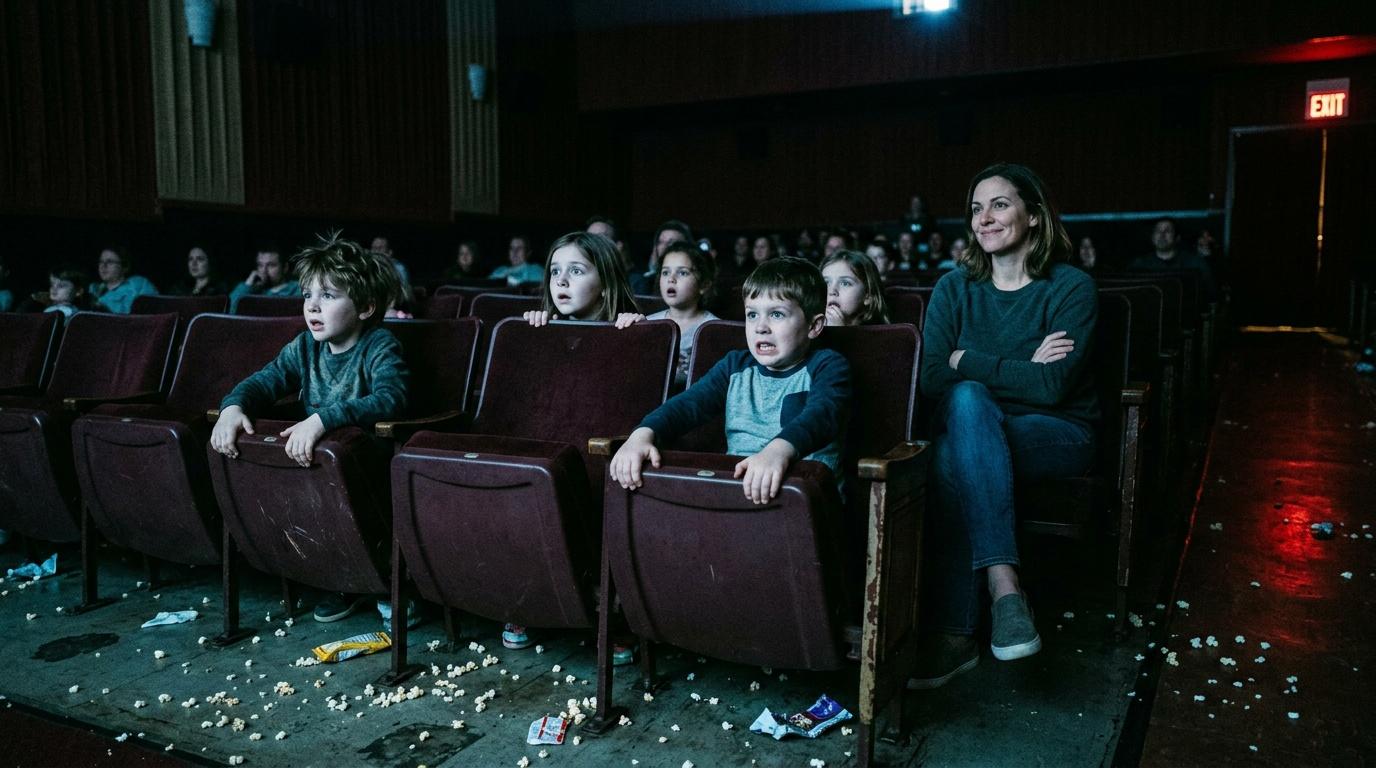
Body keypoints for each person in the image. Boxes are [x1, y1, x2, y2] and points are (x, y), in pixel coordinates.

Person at [915, 162, 1098, 689]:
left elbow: (1053, 388)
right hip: (981, 429)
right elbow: (931, 379)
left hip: (1057, 433)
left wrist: (965, 357)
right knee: (966, 413)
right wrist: (1023, 363)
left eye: (999, 204)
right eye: (976, 207)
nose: (984, 217)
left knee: (959, 435)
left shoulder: (1071, 287)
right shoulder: (954, 288)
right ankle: (1005, 589)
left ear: (1034, 216)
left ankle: (956, 633)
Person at [211, 232, 409, 628]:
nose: (313, 307)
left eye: (329, 296)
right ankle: (344, 582)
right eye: (307, 296)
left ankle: (400, 587)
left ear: (367, 306)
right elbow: (263, 381)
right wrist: (232, 407)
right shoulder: (305, 347)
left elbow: (392, 399)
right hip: (316, 466)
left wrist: (323, 419)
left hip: (370, 468)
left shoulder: (380, 345)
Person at [610, 256, 850, 509]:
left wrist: (778, 451)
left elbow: (822, 414)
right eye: (752, 315)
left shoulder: (828, 365)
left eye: (777, 314)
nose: (761, 327)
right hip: (739, 496)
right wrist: (642, 435)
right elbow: (687, 405)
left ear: (814, 326)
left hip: (808, 501)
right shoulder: (734, 366)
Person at [522, 231, 640, 329]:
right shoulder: (544, 325)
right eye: (555, 272)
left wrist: (639, 330)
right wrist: (533, 330)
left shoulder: (628, 326)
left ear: (605, 283)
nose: (560, 280)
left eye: (576, 271)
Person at [645, 241, 719, 385]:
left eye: (682, 272)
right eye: (665, 272)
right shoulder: (647, 323)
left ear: (704, 285)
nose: (671, 279)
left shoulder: (714, 329)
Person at [1126, 218, 1217, 300]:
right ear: (1152, 237)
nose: (1162, 235)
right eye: (1158, 231)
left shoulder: (1195, 263)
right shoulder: (1139, 264)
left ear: (1177, 238)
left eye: (1168, 231)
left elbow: (1210, 294)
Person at [821, 250, 890, 326]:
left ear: (868, 296)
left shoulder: (881, 335)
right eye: (826, 282)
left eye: (845, 283)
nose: (831, 291)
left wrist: (838, 333)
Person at [630, 220, 693, 295]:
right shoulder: (642, 281)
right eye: (660, 242)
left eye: (671, 242)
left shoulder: (690, 279)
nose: (664, 247)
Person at [229, 247, 300, 313]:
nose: (264, 271)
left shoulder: (297, 288)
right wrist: (247, 285)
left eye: (271, 265)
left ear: (285, 267)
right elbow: (229, 311)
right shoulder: (250, 289)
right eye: (260, 265)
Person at [88, 247, 157, 314]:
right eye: (101, 261)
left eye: (110, 262)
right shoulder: (93, 289)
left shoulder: (138, 284)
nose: (103, 266)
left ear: (124, 266)